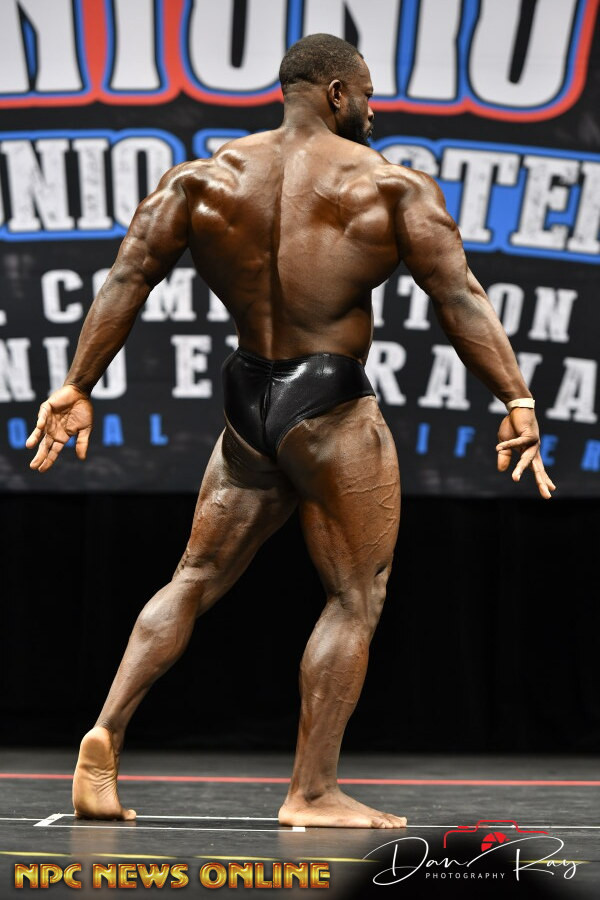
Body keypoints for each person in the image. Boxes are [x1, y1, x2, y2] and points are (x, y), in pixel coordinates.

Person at [26, 34, 555, 829]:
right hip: (331, 404)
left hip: (248, 400)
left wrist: (76, 385)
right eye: (368, 95)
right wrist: (516, 398)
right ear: (337, 93)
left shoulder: (201, 179)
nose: (374, 111)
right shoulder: (389, 185)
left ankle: (105, 730)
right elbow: (460, 299)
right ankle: (311, 792)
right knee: (355, 595)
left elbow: (128, 277)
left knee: (193, 576)